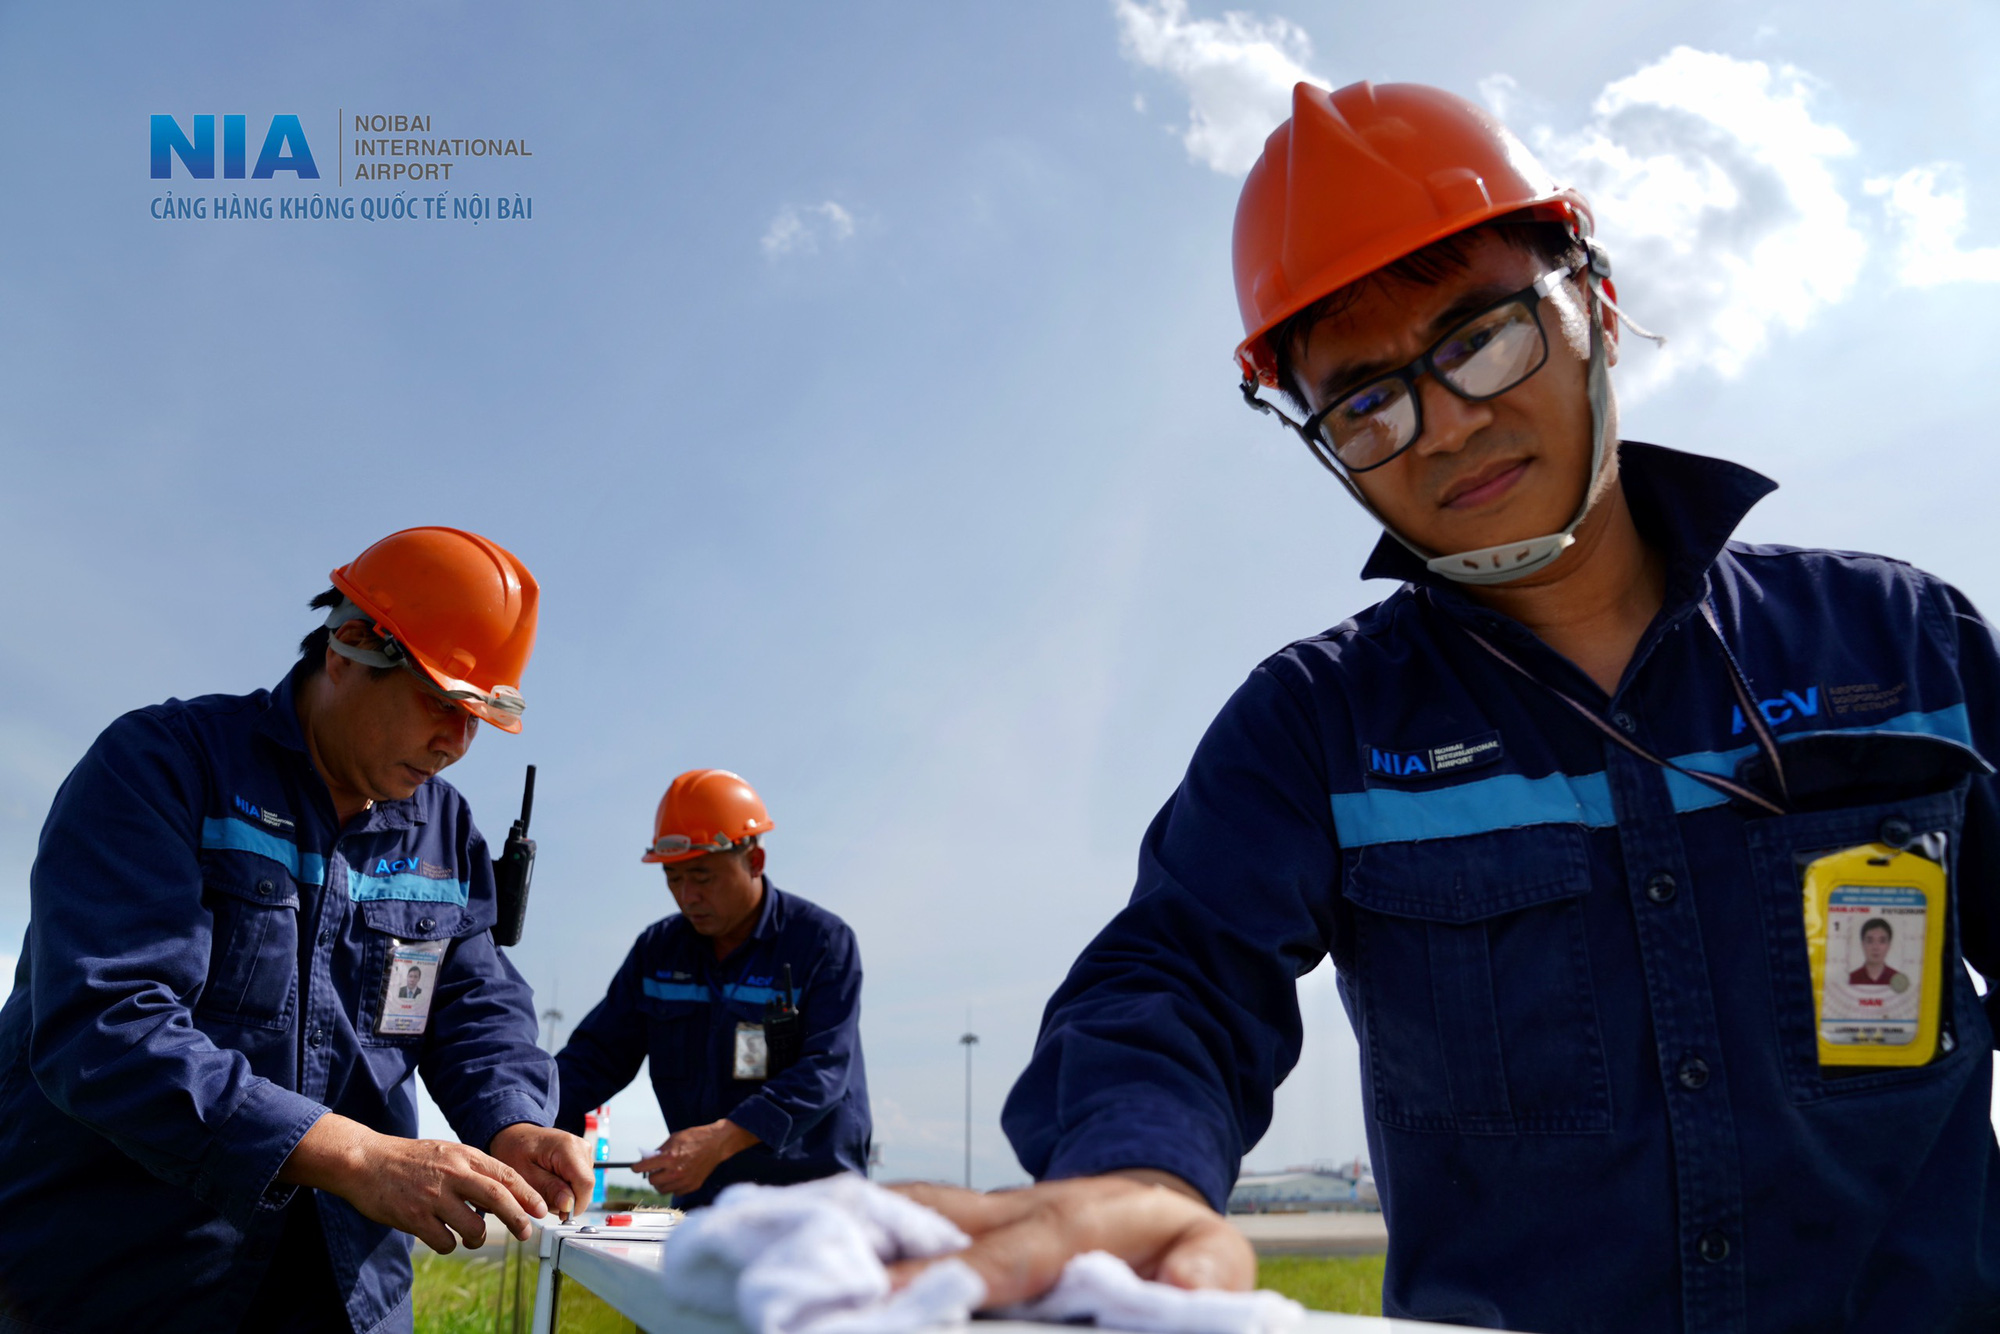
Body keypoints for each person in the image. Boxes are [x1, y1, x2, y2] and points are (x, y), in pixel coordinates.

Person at [894, 82, 2000, 1331]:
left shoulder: (1906, 646)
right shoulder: (1314, 726)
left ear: (1597, 299)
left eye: (1477, 337)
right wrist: (1136, 1167)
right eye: (1365, 401)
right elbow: (1173, 976)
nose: (1445, 427)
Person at [0, 527, 593, 1334]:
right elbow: (103, 1026)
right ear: (350, 645)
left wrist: (514, 1120)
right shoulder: (165, 767)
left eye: (478, 716)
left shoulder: (445, 831)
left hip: (346, 1291)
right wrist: (352, 1154)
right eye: (439, 702)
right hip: (129, 1273)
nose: (457, 743)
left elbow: (474, 1006)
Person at [555, 769, 871, 1208]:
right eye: (673, 879)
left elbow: (825, 1069)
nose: (687, 897)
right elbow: (595, 1059)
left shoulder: (821, 944)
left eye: (702, 877)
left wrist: (722, 1140)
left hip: (815, 1199)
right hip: (706, 1201)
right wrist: (526, 1125)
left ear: (755, 862)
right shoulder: (658, 952)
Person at [1850, 918, 1903, 987]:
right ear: (1863, 944)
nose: (1875, 947)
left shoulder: (1897, 980)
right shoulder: (1851, 979)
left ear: (1889, 945)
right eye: (1870, 941)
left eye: (1882, 941)